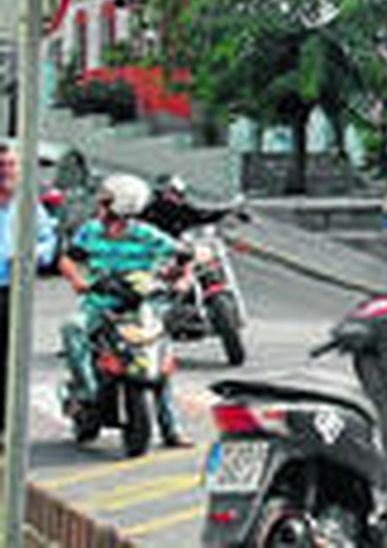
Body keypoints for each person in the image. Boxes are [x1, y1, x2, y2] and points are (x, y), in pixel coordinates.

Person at [59, 173, 190, 447]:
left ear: (121, 206)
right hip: (100, 305)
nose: (100, 207)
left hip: (142, 307)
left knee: (159, 358)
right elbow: (68, 260)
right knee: (72, 328)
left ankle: (171, 428)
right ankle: (87, 390)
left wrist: (181, 278)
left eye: (106, 202)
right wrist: (78, 281)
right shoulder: (90, 231)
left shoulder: (146, 235)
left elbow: (182, 255)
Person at [0, 140, 59, 436]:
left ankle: (6, 429)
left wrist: (34, 254)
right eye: (1, 167)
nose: (5, 172)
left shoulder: (28, 206)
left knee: (10, 361)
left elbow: (48, 241)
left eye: (10, 166)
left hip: (13, 291)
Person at [142, 174, 234, 239]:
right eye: (176, 193)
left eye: (181, 194)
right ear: (164, 192)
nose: (180, 198)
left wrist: (226, 212)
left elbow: (197, 214)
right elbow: (197, 215)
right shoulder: (160, 209)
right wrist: (224, 212)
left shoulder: (155, 208)